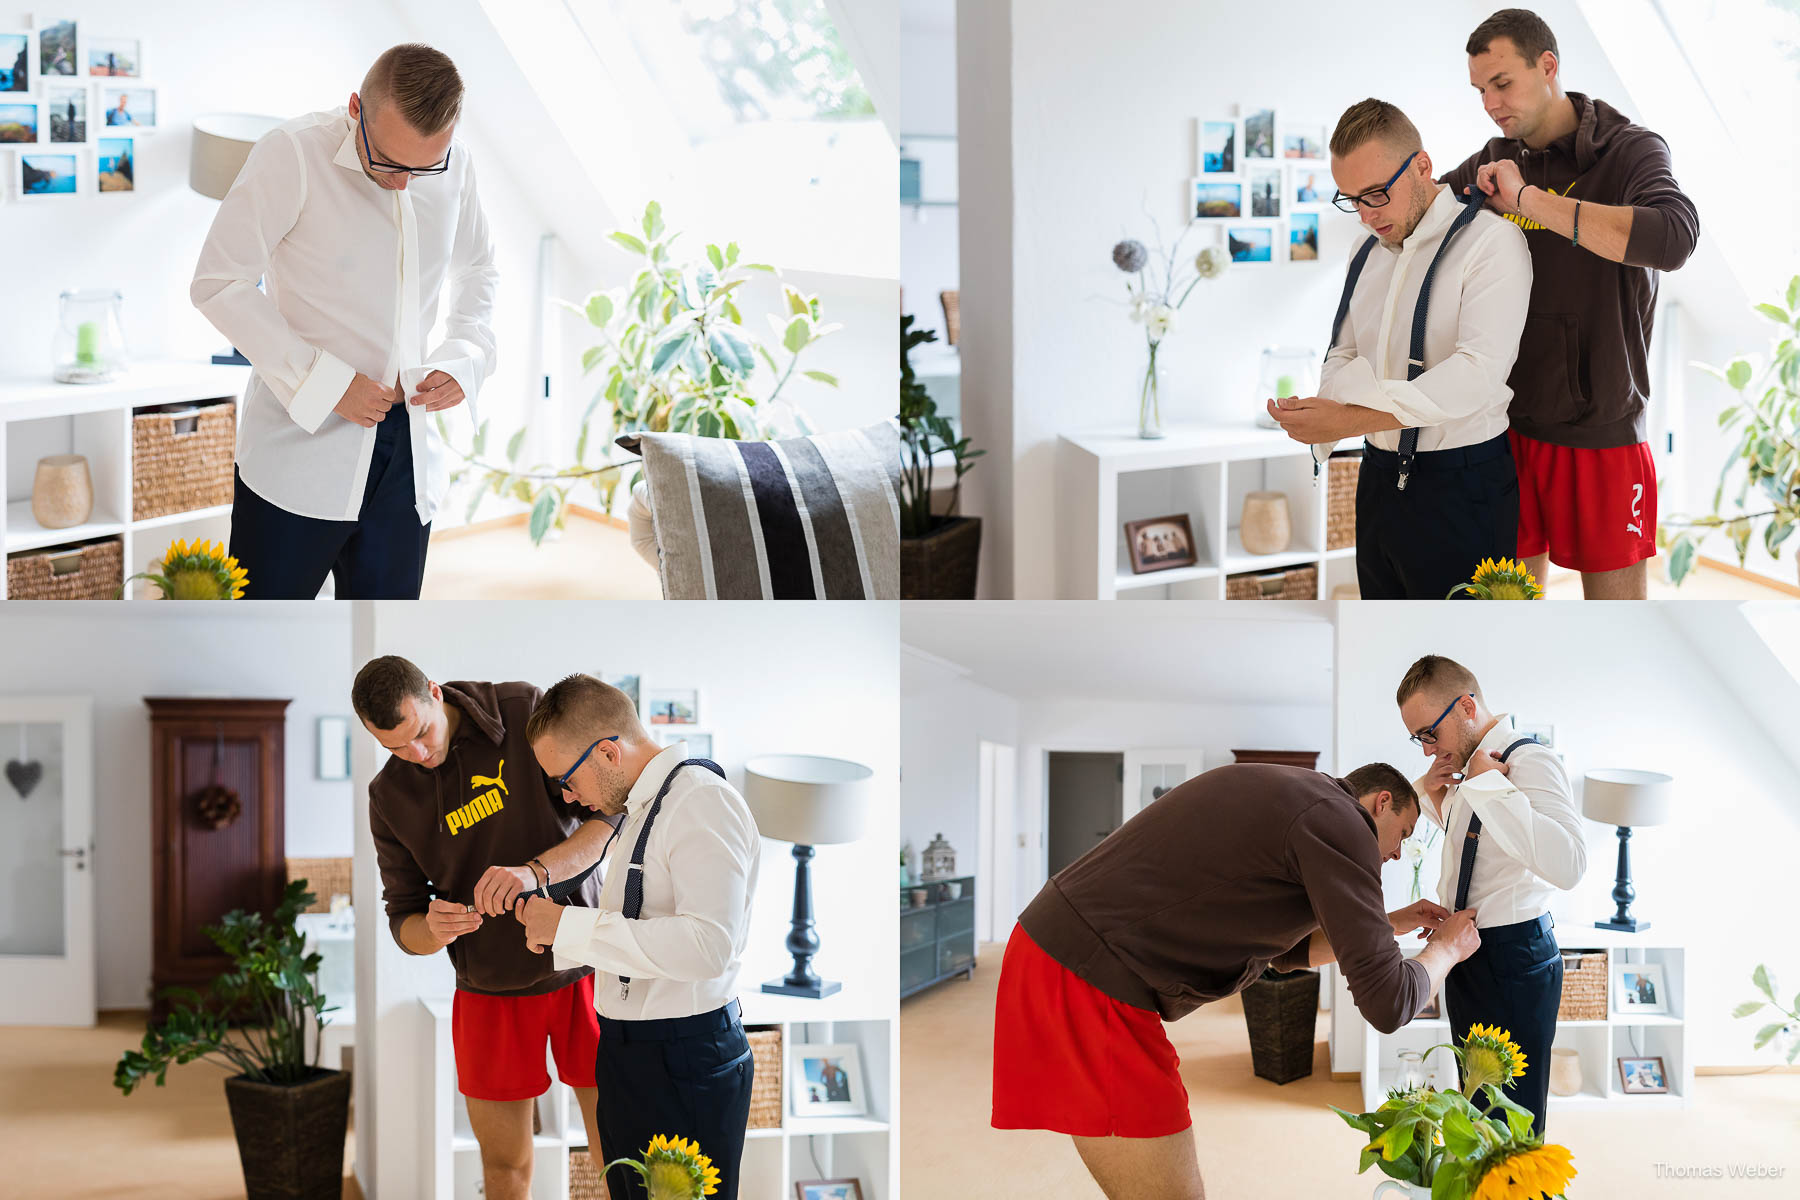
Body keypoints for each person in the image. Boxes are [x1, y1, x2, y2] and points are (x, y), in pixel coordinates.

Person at [990, 761, 1482, 1200]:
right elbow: (1389, 1003)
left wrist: (1387, 924)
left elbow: (1286, 952)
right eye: (1404, 833)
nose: (1398, 854)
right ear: (1380, 803)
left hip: (1064, 951)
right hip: (1085, 972)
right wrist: (1446, 950)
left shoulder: (1309, 804)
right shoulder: (1342, 824)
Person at [192, 43, 497, 599]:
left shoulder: (458, 166)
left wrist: (466, 356)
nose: (405, 182)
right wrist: (327, 383)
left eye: (424, 166)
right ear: (356, 107)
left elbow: (478, 268)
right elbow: (218, 283)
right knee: (264, 642)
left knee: (385, 654)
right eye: (388, 162)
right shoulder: (290, 154)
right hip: (296, 453)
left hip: (409, 459)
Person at [1445, 9, 1699, 599]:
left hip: (1601, 434)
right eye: (1480, 89)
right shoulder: (1493, 155)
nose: (1490, 102)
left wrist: (1529, 200)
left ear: (1548, 66)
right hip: (1506, 426)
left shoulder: (1629, 150)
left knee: (1615, 617)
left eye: (1502, 83)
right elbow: (1427, 218)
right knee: (1506, 610)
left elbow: (1673, 237)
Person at [355, 657, 617, 1200]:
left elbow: (608, 816)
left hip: (587, 965)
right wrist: (433, 928)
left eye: (422, 733)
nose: (418, 755)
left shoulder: (520, 709)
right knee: (505, 1170)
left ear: (434, 691)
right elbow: (402, 919)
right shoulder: (389, 797)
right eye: (396, 748)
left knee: (617, 1153)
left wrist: (536, 872)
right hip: (489, 991)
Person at [1267, 99, 1532, 599]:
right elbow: (1343, 353)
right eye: (1351, 199)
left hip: (1464, 487)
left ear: (1423, 167)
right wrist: (1319, 415)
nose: (1366, 215)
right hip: (1377, 481)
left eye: (1376, 195)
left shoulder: (1491, 244)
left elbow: (1477, 374)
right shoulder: (1363, 252)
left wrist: (1346, 421)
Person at [514, 675, 761, 1200]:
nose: (565, 795)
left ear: (607, 752)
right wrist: (560, 934)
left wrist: (568, 928)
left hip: (685, 1057)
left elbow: (708, 946)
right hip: (631, 1055)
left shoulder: (700, 802)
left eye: (565, 778)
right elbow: (644, 918)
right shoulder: (640, 810)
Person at [1396, 654, 1587, 1133]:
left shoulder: (1530, 761)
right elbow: (1491, 852)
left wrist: (1484, 785)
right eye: (1417, 738)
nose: (1426, 750)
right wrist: (1431, 796)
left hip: (1514, 959)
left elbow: (1567, 865)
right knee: (1476, 1113)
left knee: (1512, 1125)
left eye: (1428, 734)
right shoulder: (1474, 773)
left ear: (1465, 707)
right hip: (1470, 958)